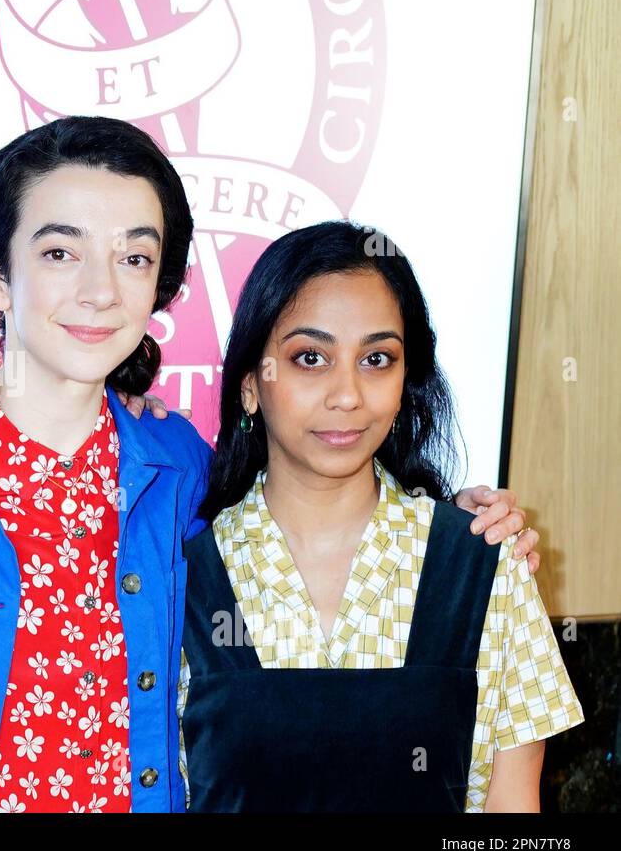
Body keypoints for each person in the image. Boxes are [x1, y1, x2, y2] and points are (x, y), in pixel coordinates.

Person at [0, 121, 539, 814]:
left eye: (134, 258)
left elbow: (315, 494)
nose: (100, 291)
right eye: (60, 252)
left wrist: (466, 529)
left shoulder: (182, 477)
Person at [178, 220, 583, 812]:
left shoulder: (484, 567)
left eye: (376, 359)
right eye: (310, 358)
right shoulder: (180, 579)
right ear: (249, 385)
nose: (347, 394)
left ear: (403, 382)